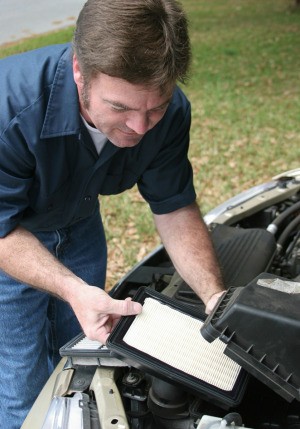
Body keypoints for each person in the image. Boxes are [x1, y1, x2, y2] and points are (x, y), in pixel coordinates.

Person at [0, 0, 225, 427]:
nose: (140, 128)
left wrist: (215, 297)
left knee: (77, 365)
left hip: (78, 219)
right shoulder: (9, 109)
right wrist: (71, 287)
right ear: (80, 71)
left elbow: (174, 205)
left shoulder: (171, 113)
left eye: (154, 108)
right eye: (120, 108)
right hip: (11, 234)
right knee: (22, 379)